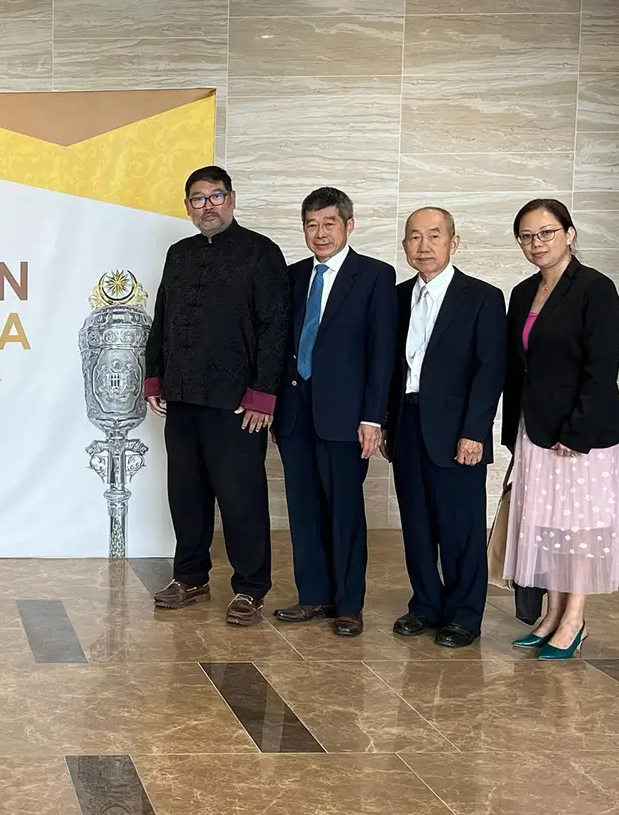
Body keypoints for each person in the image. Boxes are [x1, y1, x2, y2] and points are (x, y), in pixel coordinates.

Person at [144, 165, 289, 626]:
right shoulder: (179, 254)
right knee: (186, 494)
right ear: (188, 206)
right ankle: (190, 577)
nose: (208, 206)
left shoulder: (261, 252)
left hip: (237, 403)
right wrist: (154, 377)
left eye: (216, 196)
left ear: (232, 199)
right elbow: (162, 317)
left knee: (241, 498)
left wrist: (263, 394)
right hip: (183, 395)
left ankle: (250, 588)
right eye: (198, 198)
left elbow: (275, 328)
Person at [503, 198, 619, 660]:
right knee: (548, 525)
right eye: (527, 236)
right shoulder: (523, 292)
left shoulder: (596, 289)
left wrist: (576, 432)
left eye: (546, 233)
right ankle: (552, 612)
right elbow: (517, 370)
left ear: (570, 234)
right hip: (536, 430)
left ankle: (574, 619)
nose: (537, 243)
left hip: (583, 435)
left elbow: (602, 370)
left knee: (579, 528)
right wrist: (513, 431)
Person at [272, 188, 396, 637]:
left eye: (329, 223)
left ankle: (348, 604)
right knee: (303, 508)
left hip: (346, 417)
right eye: (311, 225)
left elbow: (382, 352)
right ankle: (313, 595)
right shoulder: (291, 276)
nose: (320, 233)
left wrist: (373, 417)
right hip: (295, 413)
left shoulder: (375, 276)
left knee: (344, 510)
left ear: (349, 225)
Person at [384, 207, 506, 648]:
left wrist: (475, 431)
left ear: (454, 243)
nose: (424, 246)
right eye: (415, 237)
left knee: (460, 526)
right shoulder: (396, 297)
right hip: (407, 423)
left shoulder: (482, 297)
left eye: (434, 236)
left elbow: (490, 370)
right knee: (416, 523)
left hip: (458, 430)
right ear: (405, 246)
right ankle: (425, 604)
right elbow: (388, 368)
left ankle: (464, 614)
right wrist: (385, 423)